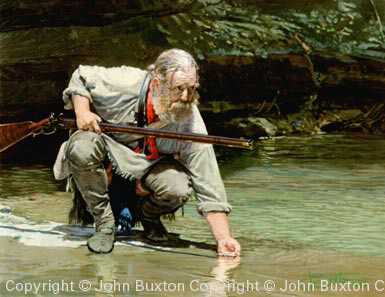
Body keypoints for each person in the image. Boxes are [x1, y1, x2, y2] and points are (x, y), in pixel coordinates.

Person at [53, 49, 241, 256]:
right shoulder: (124, 81)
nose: (186, 97)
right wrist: (82, 111)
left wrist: (224, 238)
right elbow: (81, 76)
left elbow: (209, 183)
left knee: (176, 188)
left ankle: (148, 216)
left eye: (192, 89)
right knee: (81, 147)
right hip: (105, 152)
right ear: (157, 81)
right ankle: (104, 223)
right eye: (178, 88)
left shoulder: (190, 119)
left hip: (149, 165)